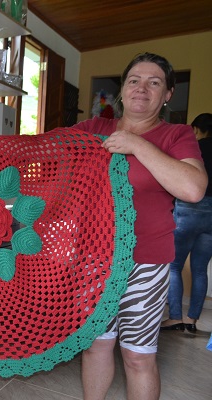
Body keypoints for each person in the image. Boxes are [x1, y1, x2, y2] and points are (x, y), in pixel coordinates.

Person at [73, 53, 207, 400]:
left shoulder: (176, 135)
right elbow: (40, 154)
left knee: (138, 356)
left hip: (146, 261)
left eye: (154, 82)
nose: (141, 88)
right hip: (94, 260)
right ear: (122, 89)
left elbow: (193, 188)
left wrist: (136, 144)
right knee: (96, 346)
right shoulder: (92, 130)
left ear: (168, 94)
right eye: (134, 80)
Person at [161, 113, 212, 334]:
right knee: (200, 270)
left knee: (174, 265)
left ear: (197, 130)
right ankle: (192, 321)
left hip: (188, 209)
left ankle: (175, 318)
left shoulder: (193, 148)